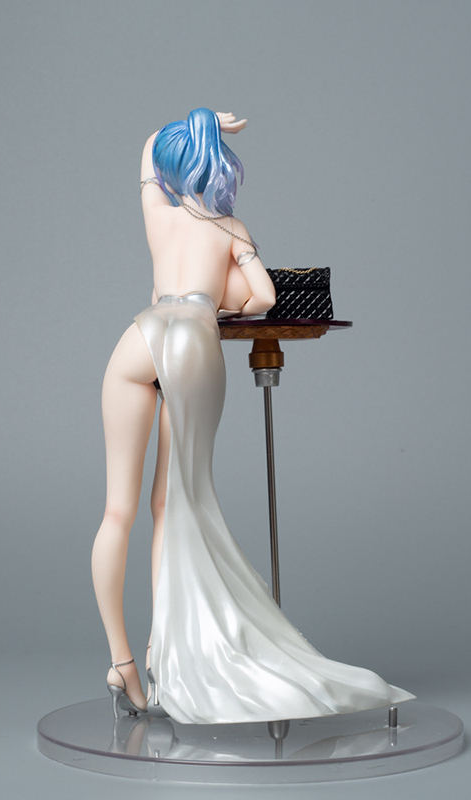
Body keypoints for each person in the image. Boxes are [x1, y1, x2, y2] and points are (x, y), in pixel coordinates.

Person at [91, 109, 414, 723]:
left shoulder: (159, 214)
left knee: (117, 512)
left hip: (139, 338)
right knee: (175, 504)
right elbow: (263, 298)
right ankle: (163, 652)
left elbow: (145, 157)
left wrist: (200, 119)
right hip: (192, 339)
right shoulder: (231, 229)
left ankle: (122, 662)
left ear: (173, 167)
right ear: (221, 170)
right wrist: (222, 298)